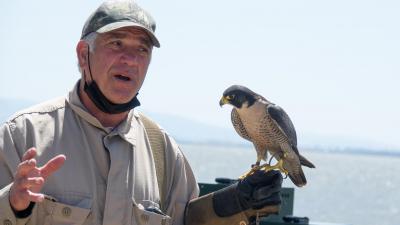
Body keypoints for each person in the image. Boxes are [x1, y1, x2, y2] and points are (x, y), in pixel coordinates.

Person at [0, 0, 283, 224]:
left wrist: (232, 206)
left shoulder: (163, 151)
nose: (130, 60)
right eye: (116, 43)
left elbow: (189, 221)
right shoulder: (22, 136)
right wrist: (12, 203)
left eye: (142, 50)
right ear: (82, 54)